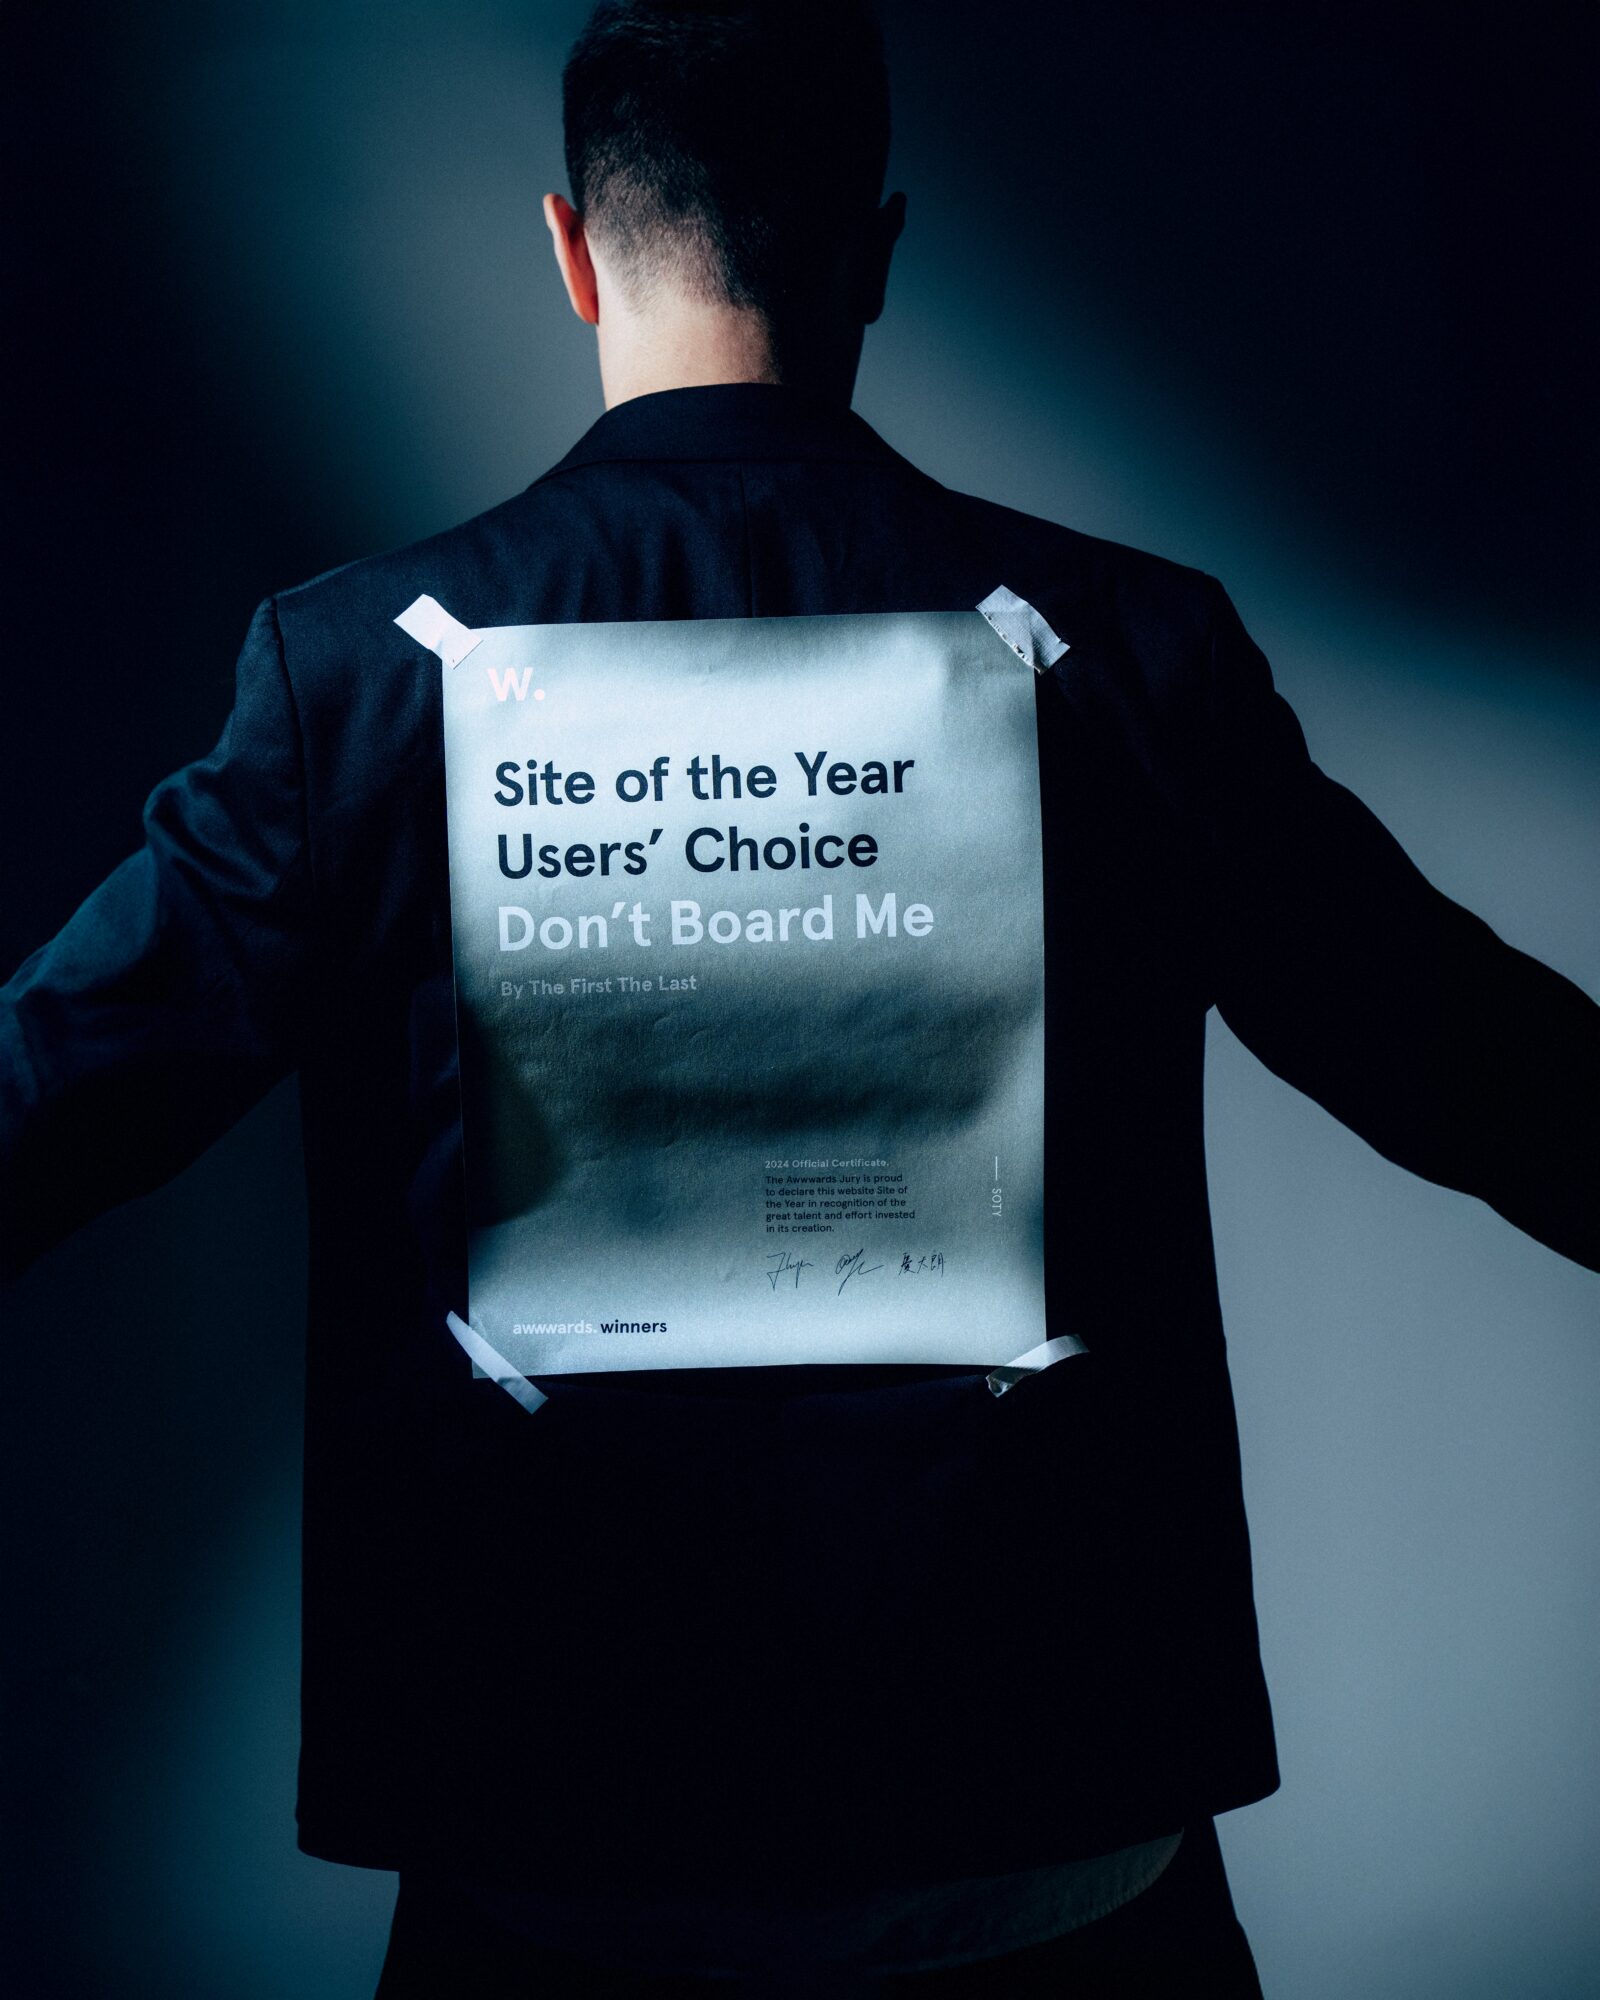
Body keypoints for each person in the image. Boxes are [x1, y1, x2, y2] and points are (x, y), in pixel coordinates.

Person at [1, 3, 1594, 1994]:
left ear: (571, 250)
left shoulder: (353, 681)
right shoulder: (1132, 653)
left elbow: (63, 1086)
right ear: (876, 249)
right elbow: (1468, 1059)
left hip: (562, 1852)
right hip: (1042, 1842)